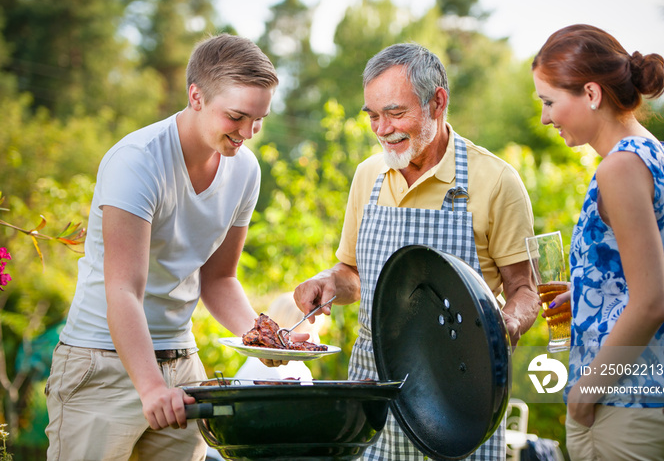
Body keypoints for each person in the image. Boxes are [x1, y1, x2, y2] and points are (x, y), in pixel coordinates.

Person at [294, 42, 540, 460]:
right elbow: (354, 274)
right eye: (372, 115)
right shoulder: (368, 175)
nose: (382, 128)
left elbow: (526, 289)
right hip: (375, 390)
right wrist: (328, 282)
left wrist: (508, 324)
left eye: (395, 112)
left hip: (459, 395)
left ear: (438, 101)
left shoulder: (495, 180)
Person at [45, 33, 280, 461]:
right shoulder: (137, 162)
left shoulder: (244, 169)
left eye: (258, 120)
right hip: (102, 364)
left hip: (181, 367)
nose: (248, 133)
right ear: (196, 96)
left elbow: (219, 278)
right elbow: (123, 291)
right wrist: (150, 385)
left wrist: (265, 340)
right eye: (236, 116)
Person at [532, 24, 664, 461]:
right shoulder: (657, 156)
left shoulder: (619, 167)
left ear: (591, 93)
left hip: (626, 409)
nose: (545, 118)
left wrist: (585, 394)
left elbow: (651, 303)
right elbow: (662, 277)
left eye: (549, 102)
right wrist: (587, 293)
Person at [234, 292, 325, 381]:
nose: (316, 339)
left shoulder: (255, 359)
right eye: (310, 331)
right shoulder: (290, 369)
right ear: (288, 327)